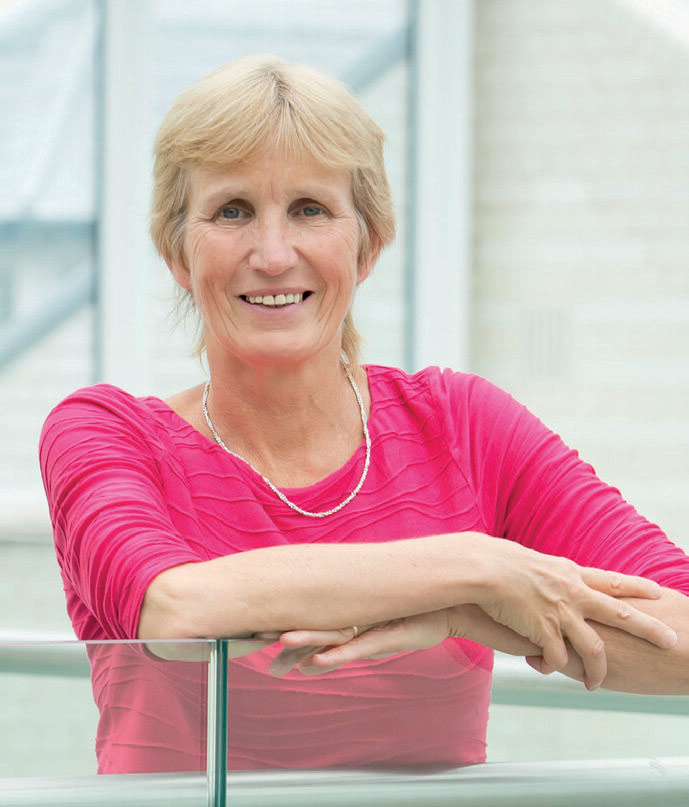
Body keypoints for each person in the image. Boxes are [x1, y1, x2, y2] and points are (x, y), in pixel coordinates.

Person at [39, 55, 689, 774]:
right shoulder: (105, 431)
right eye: (232, 211)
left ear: (368, 243)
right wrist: (474, 565)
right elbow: (176, 608)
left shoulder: (461, 424)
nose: (273, 253)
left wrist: (467, 613)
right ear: (176, 252)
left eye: (310, 209)